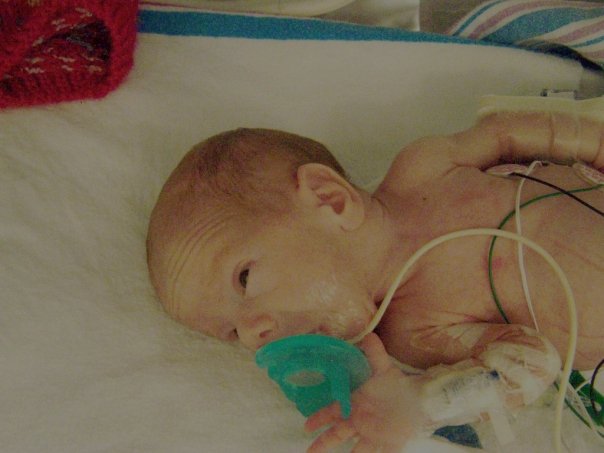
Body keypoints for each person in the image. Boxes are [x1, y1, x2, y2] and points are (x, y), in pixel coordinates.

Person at [146, 95, 604, 452]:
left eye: (244, 279)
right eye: (230, 333)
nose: (252, 335)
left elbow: (504, 133)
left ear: (328, 198)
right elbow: (530, 363)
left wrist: (595, 144)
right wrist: (417, 403)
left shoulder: (421, 169)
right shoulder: (412, 332)